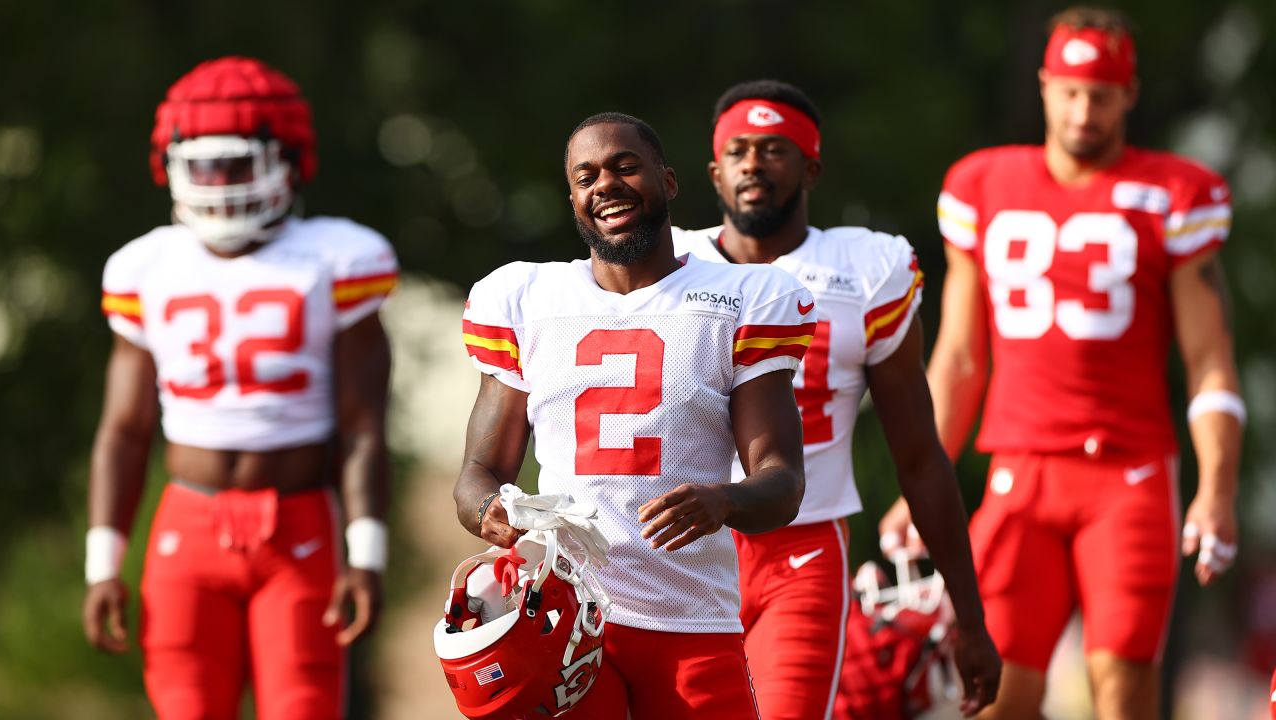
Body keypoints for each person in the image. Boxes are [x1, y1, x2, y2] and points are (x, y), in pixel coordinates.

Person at [881, 8, 1244, 718]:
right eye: (1071, 91)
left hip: (1129, 474)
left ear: (1128, 95)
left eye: (1101, 94)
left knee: (1124, 688)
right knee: (996, 695)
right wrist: (918, 487)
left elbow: (1211, 362)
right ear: (1046, 86)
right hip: (1022, 472)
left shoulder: (1174, 195)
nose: (1083, 111)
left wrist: (1218, 489)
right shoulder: (983, 185)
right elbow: (958, 358)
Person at [453, 112, 812, 719]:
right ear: (572, 198)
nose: (606, 186)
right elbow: (476, 475)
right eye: (586, 176)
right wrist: (496, 514)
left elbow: (782, 483)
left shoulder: (742, 298)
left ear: (668, 181)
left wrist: (723, 501)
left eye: (625, 167)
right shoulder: (525, 299)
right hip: (565, 624)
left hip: (691, 623)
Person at [674, 79, 1001, 720]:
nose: (753, 164)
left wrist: (969, 618)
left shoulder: (866, 271)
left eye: (774, 149)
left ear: (810, 167)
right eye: (738, 150)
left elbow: (919, 455)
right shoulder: (669, 265)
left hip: (803, 548)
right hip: (683, 552)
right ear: (715, 172)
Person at [83, 56, 397, 719]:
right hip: (187, 524)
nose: (219, 183)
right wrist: (101, 562)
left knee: (303, 706)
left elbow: (364, 426)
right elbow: (125, 429)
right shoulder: (146, 266)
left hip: (299, 523)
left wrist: (366, 553)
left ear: (287, 160)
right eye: (201, 164)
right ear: (170, 165)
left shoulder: (337, 257)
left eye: (237, 163)